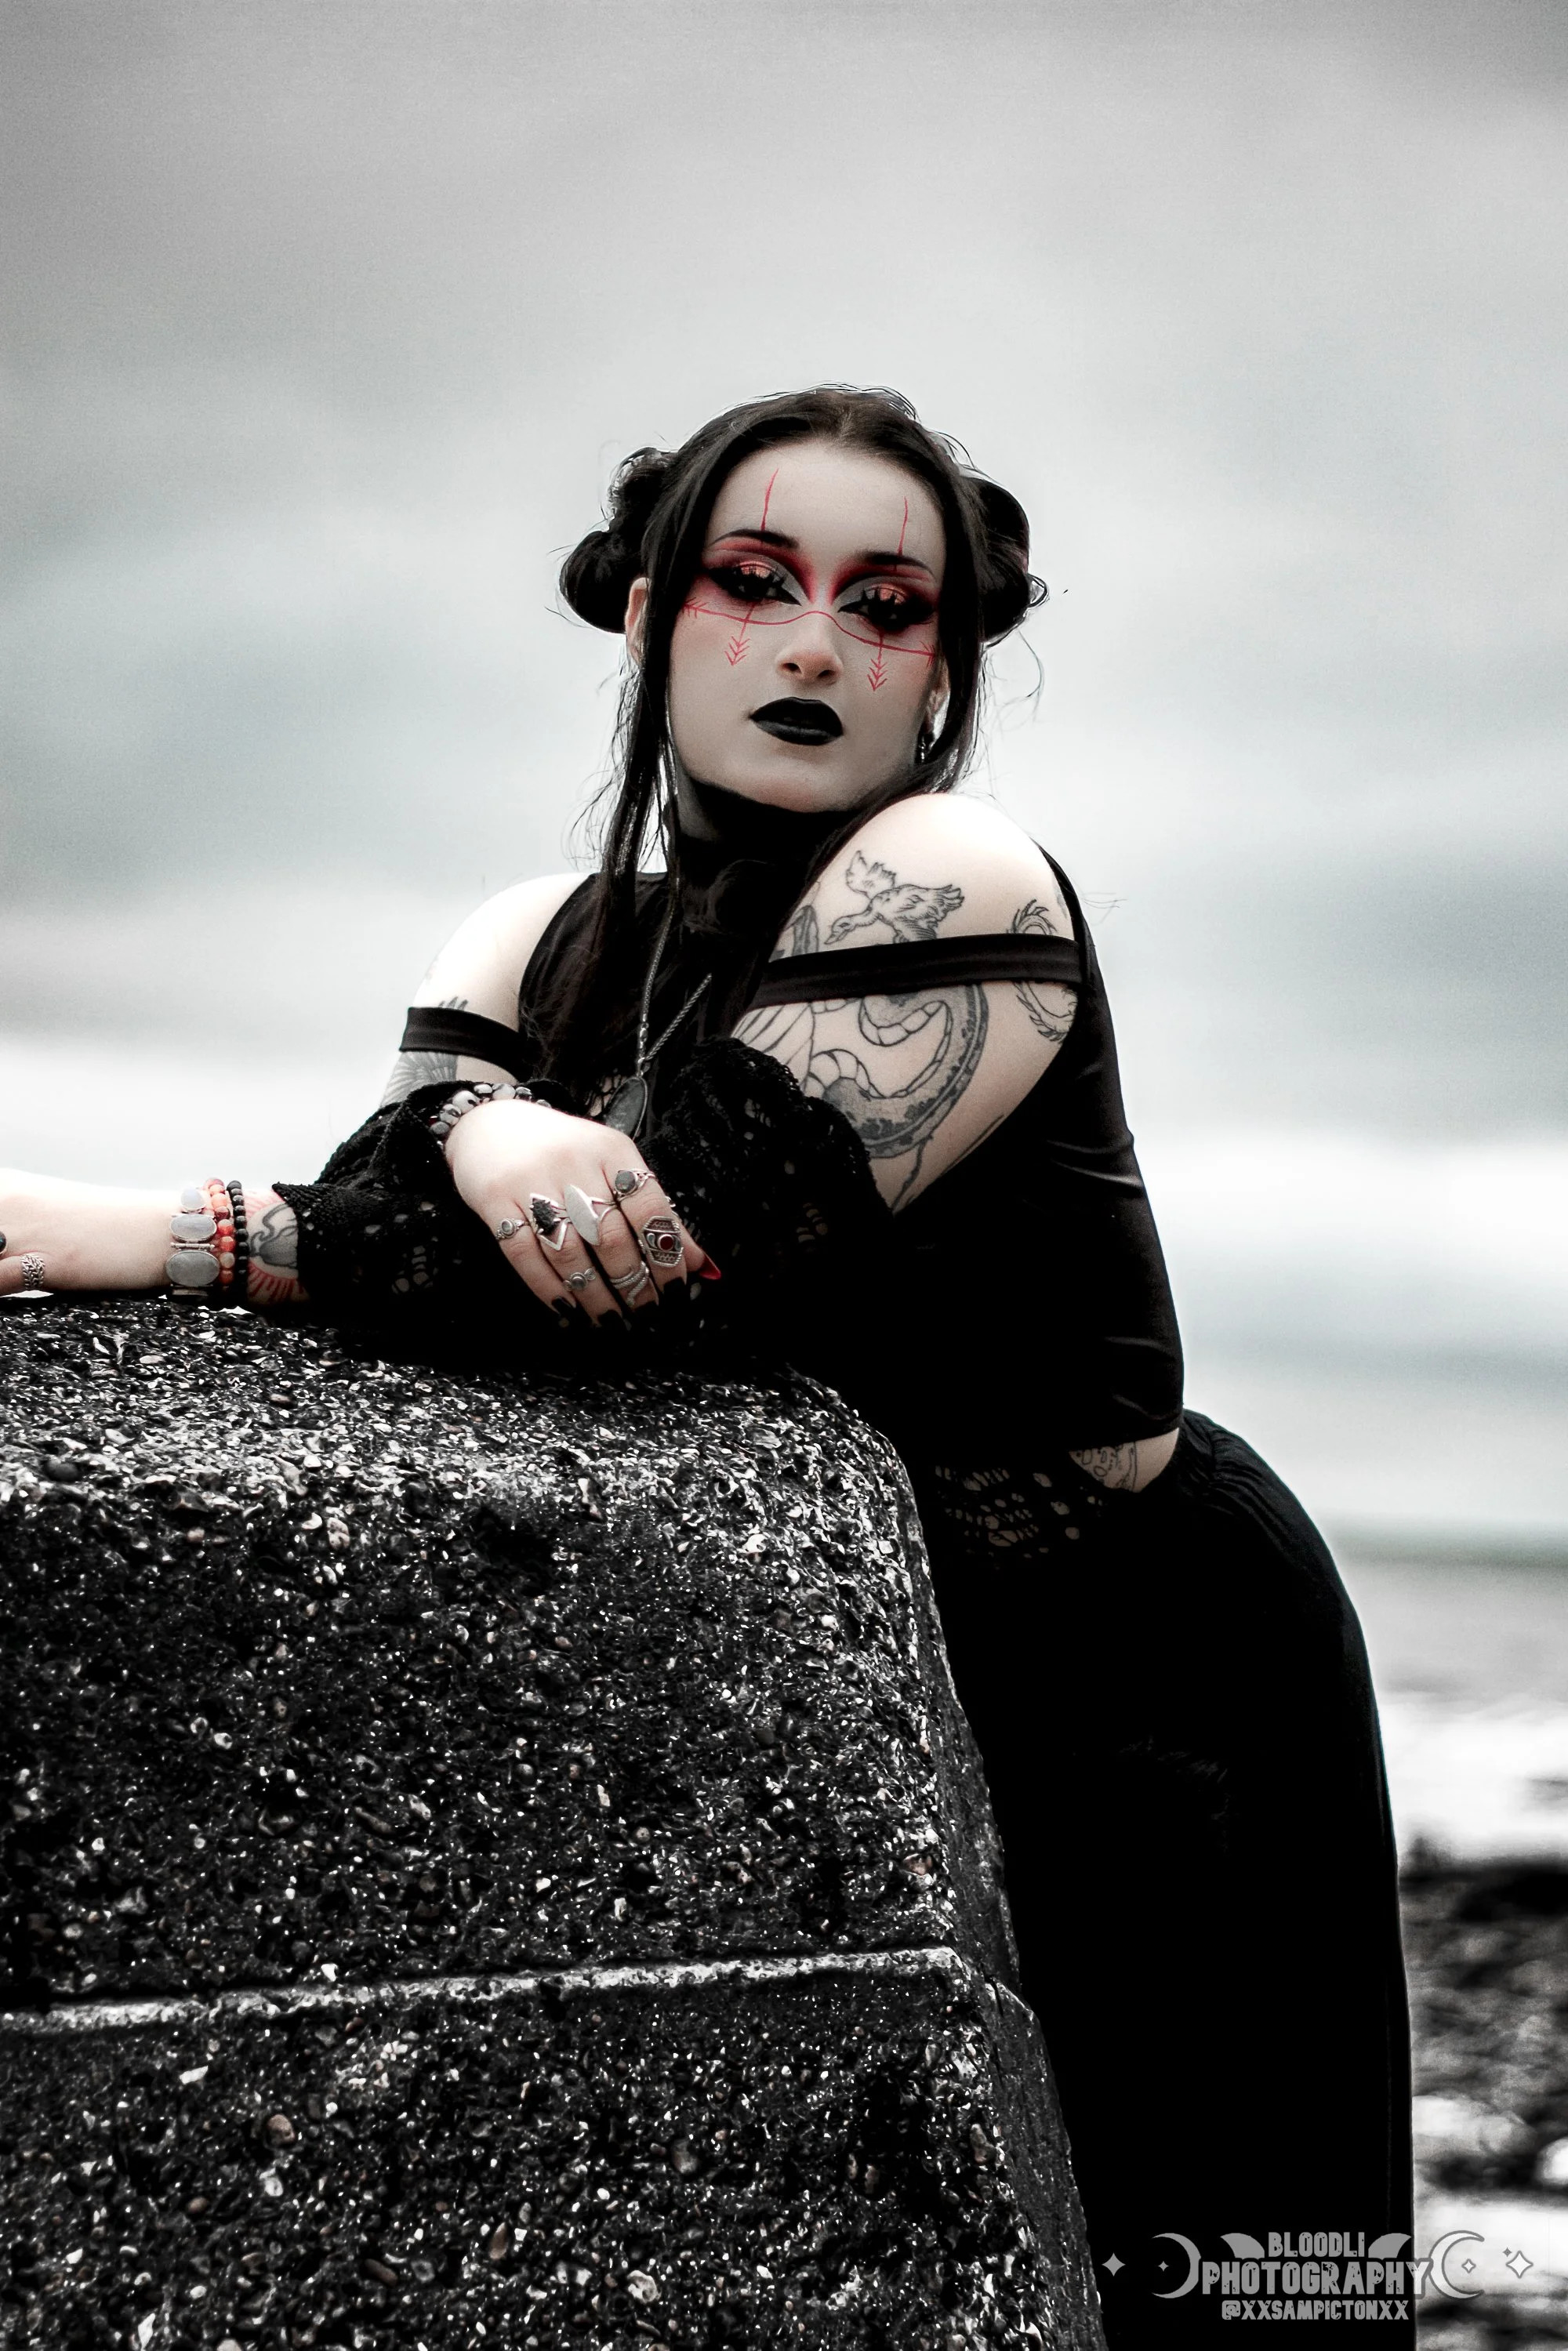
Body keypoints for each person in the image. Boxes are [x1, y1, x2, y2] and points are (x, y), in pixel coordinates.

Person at [0, 386, 1412, 2344]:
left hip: (1144, 1654)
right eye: (753, 581)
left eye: (886, 603)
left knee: (1223, 2270)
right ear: (654, 617)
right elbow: (403, 1196)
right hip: (868, 1657)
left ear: (943, 670)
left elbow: (653, 1253)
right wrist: (484, 1129)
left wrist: (159, 1228)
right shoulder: (539, 932)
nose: (815, 642)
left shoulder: (962, 880)